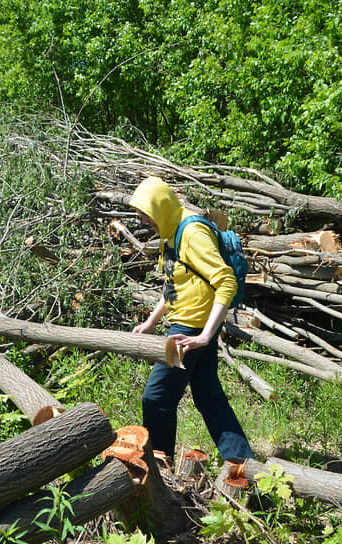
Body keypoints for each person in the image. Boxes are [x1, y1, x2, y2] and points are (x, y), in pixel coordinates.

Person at [129, 176, 254, 464]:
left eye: (145, 214)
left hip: (192, 328)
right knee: (209, 395)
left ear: (159, 207)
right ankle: (244, 464)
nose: (143, 220)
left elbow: (225, 281)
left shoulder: (193, 232)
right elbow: (173, 285)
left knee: (156, 398)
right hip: (189, 325)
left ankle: (160, 468)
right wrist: (150, 323)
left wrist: (205, 335)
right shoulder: (170, 232)